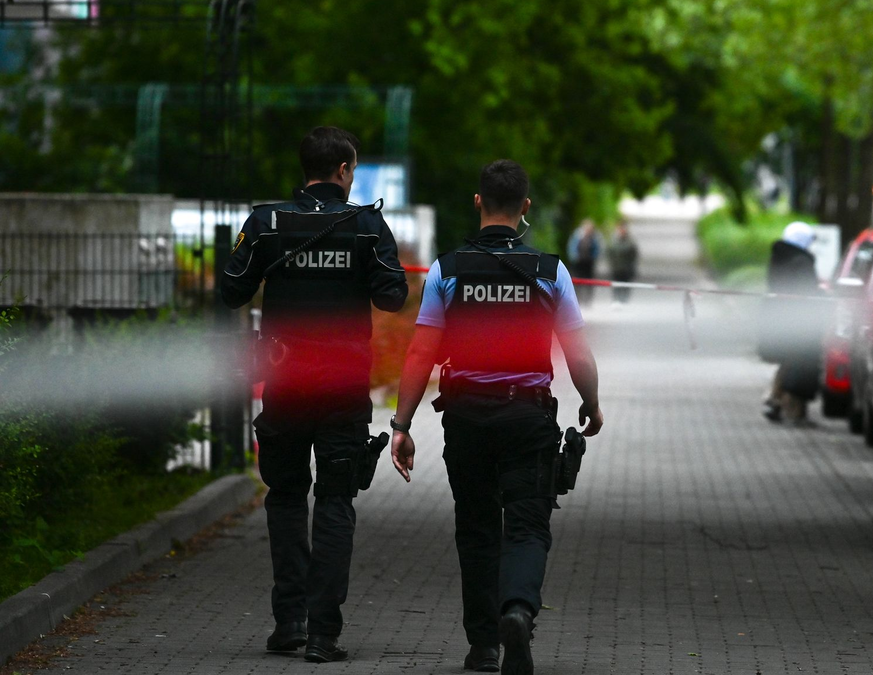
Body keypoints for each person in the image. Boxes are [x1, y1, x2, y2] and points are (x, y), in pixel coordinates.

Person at [389, 159, 603, 674]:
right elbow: (576, 352)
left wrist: (401, 425)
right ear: (525, 207)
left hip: (466, 419)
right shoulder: (550, 271)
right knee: (527, 526)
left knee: (477, 528)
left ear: (478, 202)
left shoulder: (447, 270)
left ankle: (484, 645)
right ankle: (518, 611)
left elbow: (420, 353)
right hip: (528, 418)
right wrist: (591, 403)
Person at [221, 126, 408, 663]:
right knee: (335, 499)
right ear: (344, 170)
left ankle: (290, 621)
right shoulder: (367, 226)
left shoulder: (266, 223)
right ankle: (325, 634)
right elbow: (393, 297)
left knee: (285, 496)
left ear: (304, 169)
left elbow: (231, 291)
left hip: (285, 383)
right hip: (343, 388)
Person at [759, 221, 821, 425]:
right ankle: (789, 407)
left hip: (779, 316)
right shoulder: (801, 261)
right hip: (800, 319)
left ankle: (775, 401)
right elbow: (807, 292)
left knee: (787, 361)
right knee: (797, 363)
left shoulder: (779, 257)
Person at [566, 219, 602, 306]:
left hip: (589, 263)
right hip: (578, 263)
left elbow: (597, 249)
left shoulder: (594, 238)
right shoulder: (577, 236)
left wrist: (593, 258)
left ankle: (588, 300)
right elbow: (572, 247)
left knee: (589, 281)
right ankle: (577, 299)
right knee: (577, 281)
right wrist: (574, 257)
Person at [607, 219, 639, 304]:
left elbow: (634, 255)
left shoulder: (630, 241)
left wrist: (631, 266)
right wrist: (612, 264)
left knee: (626, 285)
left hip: (626, 268)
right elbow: (609, 253)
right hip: (616, 268)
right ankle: (616, 300)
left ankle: (625, 301)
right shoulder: (613, 241)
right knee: (616, 285)